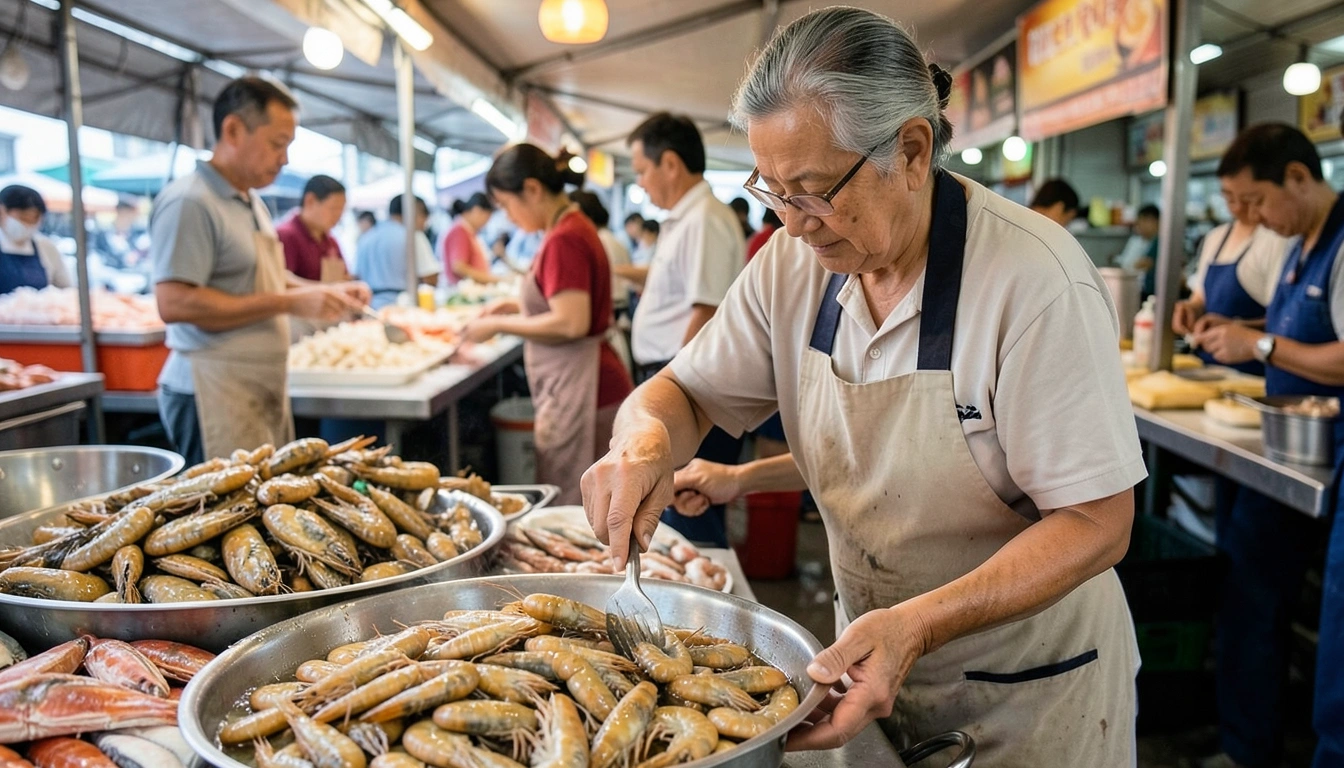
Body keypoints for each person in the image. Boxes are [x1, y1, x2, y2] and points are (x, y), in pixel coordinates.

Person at [582, 8, 1143, 764]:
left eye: (811, 190)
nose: (792, 223)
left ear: (912, 150)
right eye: (771, 189)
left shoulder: (1034, 280)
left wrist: (918, 624)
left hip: (1026, 687)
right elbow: (682, 393)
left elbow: (1097, 520)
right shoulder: (792, 266)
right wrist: (645, 445)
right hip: (867, 666)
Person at [1193, 123, 1344, 768]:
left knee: (1296, 608)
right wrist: (1236, 327)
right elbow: (1285, 325)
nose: (1252, 218)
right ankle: (1249, 741)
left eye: (1256, 202)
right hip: (1288, 443)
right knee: (1252, 590)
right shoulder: (1297, 242)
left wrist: (1259, 346)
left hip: (1326, 450)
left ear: (1298, 178)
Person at [152, 77, 369, 465]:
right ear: (233, 130)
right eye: (277, 143)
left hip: (253, 384)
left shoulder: (252, 203)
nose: (284, 159)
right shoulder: (191, 201)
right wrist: (289, 301)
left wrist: (320, 294)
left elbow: (269, 276)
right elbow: (176, 302)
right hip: (211, 388)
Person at [461, 144, 633, 505]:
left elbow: (571, 321)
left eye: (507, 205)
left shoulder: (565, 238)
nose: (508, 217)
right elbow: (560, 300)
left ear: (533, 190)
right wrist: (512, 305)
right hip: (588, 381)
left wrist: (500, 325)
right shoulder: (570, 226)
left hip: (587, 388)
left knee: (576, 499)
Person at [620, 112, 746, 548]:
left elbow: (705, 309)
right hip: (675, 379)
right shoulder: (684, 218)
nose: (641, 183)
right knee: (679, 507)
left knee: (692, 502)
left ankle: (704, 600)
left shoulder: (704, 219)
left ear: (669, 163)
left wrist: (668, 386)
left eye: (642, 171)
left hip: (689, 388)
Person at [1173, 155, 1291, 377]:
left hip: (1254, 373)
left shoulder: (1277, 240)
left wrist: (1241, 329)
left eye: (1246, 199)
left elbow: (1284, 320)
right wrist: (1190, 309)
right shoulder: (1216, 237)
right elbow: (1201, 296)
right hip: (1209, 367)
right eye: (1229, 199)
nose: (1237, 207)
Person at [354, 194, 438, 309]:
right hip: (403, 306)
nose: (425, 222)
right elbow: (430, 278)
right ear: (413, 211)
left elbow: (356, 276)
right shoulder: (412, 236)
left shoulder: (366, 238)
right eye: (424, 216)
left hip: (370, 306)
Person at [276, 175, 348, 283]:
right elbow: (280, 283)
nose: (338, 216)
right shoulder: (286, 236)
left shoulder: (331, 241)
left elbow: (344, 276)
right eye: (334, 209)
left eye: (341, 210)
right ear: (310, 201)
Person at [0, 184, 69, 293]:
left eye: (33, 220)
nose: (27, 225)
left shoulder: (46, 247)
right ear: (2, 211)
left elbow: (65, 288)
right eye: (23, 218)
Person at [441, 192, 498, 286]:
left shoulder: (468, 230)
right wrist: (493, 279)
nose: (485, 224)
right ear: (477, 211)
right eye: (487, 218)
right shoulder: (459, 230)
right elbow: (459, 267)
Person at [93, 199, 149, 270]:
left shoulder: (137, 233)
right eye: (126, 213)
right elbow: (100, 255)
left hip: (134, 273)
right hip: (111, 273)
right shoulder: (104, 234)